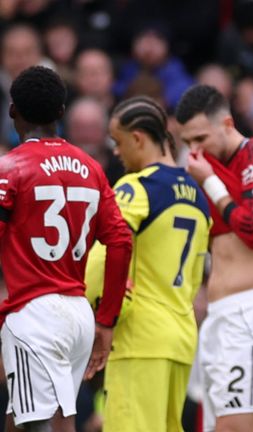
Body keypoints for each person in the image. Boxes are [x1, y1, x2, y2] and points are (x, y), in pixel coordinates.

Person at [0, 65, 132, 431]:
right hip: (78, 315)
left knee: (38, 422)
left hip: (34, 313)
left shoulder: (9, 169)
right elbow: (120, 241)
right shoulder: (91, 168)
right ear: (61, 112)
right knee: (38, 413)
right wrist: (107, 319)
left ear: (13, 111)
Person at [84, 96, 211, 431]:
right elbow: (197, 276)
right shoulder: (198, 197)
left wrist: (99, 313)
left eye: (118, 142)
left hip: (139, 337)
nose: (115, 151)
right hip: (181, 339)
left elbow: (105, 256)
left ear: (138, 138)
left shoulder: (136, 187)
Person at [175, 84, 253, 432]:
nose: (194, 150)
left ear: (226, 123)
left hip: (252, 315)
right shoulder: (202, 169)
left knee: (236, 428)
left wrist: (211, 183)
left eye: (200, 138)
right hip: (218, 318)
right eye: (188, 143)